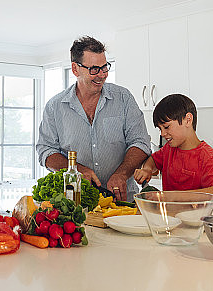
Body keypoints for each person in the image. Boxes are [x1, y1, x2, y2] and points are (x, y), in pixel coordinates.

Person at [37, 36, 151, 202]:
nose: (102, 75)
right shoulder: (55, 107)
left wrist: (122, 174)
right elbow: (46, 151)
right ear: (75, 69)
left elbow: (140, 143)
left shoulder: (123, 98)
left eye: (104, 67)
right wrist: (75, 170)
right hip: (76, 203)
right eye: (94, 69)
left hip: (123, 202)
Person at [133, 94, 213, 198]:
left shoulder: (207, 157)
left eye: (166, 127)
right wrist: (147, 169)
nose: (162, 134)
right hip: (170, 209)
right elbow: (153, 160)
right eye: (160, 129)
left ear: (188, 120)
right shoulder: (169, 149)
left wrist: (173, 197)